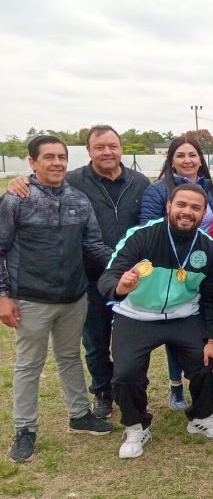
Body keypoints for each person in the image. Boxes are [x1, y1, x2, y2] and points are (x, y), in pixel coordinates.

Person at [2, 125, 150, 419]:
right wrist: (18, 183)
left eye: (113, 146)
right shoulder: (65, 184)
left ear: (120, 148)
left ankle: (115, 398)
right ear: (89, 151)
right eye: (100, 147)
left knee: (122, 342)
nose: (107, 152)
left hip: (115, 281)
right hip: (73, 283)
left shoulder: (136, 182)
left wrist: (127, 269)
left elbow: (100, 238)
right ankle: (99, 395)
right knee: (91, 343)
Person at [0, 135, 116, 463]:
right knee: (28, 365)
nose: (57, 163)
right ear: (32, 162)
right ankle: (25, 429)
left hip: (74, 297)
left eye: (62, 156)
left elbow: (93, 245)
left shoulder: (79, 199)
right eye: (48, 157)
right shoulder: (15, 199)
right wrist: (2, 296)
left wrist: (122, 264)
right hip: (31, 299)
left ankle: (79, 416)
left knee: (69, 358)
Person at [99, 184, 213, 458]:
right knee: (125, 373)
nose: (187, 212)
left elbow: (212, 298)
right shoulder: (141, 236)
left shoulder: (208, 247)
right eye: (181, 205)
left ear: (204, 212)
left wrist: (212, 339)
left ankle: (201, 417)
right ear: (169, 206)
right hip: (137, 315)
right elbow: (109, 276)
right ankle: (136, 426)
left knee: (208, 360)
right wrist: (121, 286)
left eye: (196, 208)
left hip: (184, 315)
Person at [140, 136, 213, 410]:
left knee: (195, 324)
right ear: (171, 160)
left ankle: (197, 381)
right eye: (180, 155)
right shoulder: (158, 190)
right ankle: (176, 386)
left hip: (203, 265)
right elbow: (149, 228)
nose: (187, 160)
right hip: (172, 267)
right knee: (174, 324)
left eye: (192, 155)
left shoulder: (210, 189)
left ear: (201, 159)